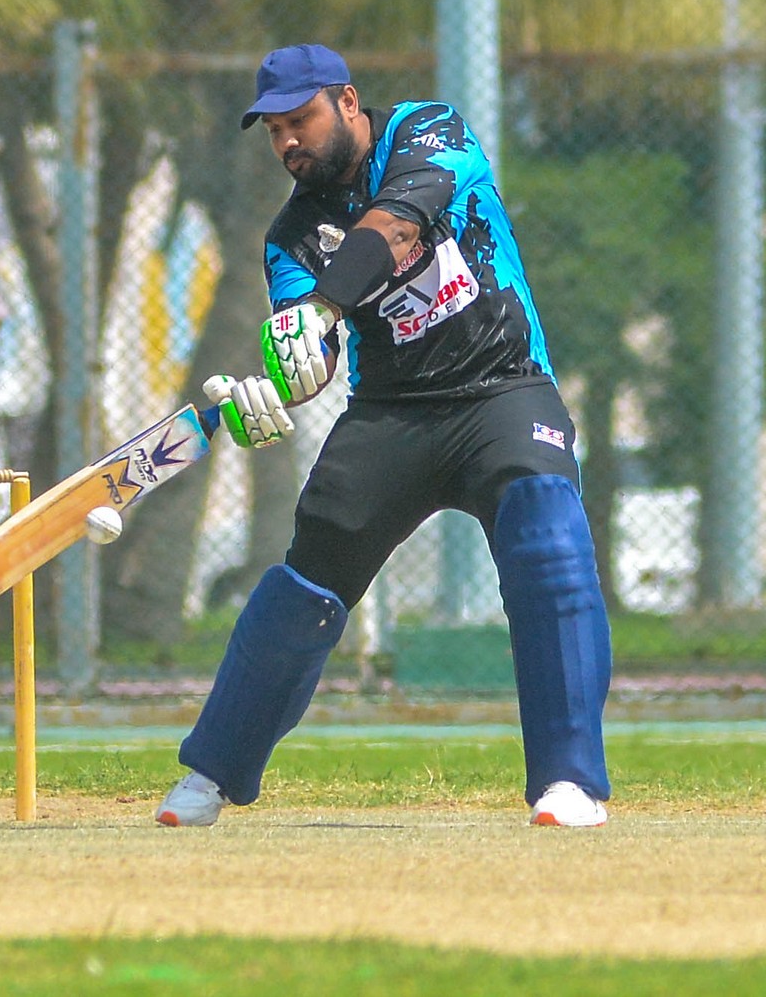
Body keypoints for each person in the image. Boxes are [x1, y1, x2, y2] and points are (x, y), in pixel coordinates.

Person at [156, 44, 612, 828]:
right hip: (392, 413)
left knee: (548, 539)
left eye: (300, 119)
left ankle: (568, 782)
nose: (288, 141)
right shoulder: (291, 236)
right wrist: (278, 385)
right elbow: (314, 358)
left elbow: (396, 226)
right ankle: (210, 774)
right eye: (273, 131)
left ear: (347, 102)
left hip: (502, 389)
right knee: (305, 584)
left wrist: (322, 309)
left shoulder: (430, 131)